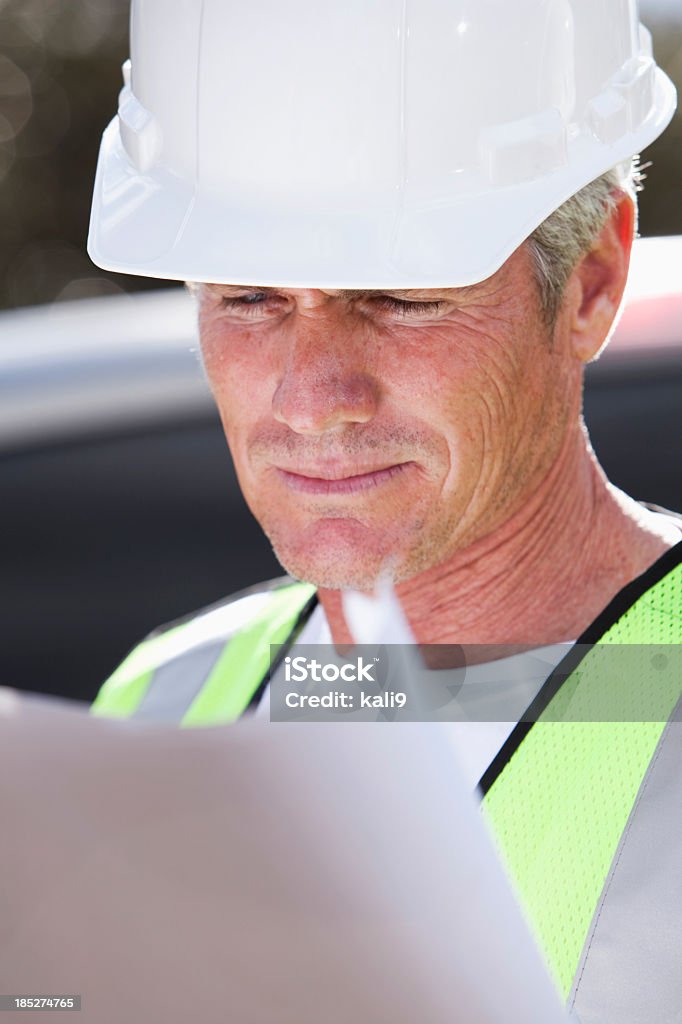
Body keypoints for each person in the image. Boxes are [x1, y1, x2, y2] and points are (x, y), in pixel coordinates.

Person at [87, 2, 681, 1020]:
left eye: (402, 296)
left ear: (591, 280)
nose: (313, 399)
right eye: (248, 297)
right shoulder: (159, 705)